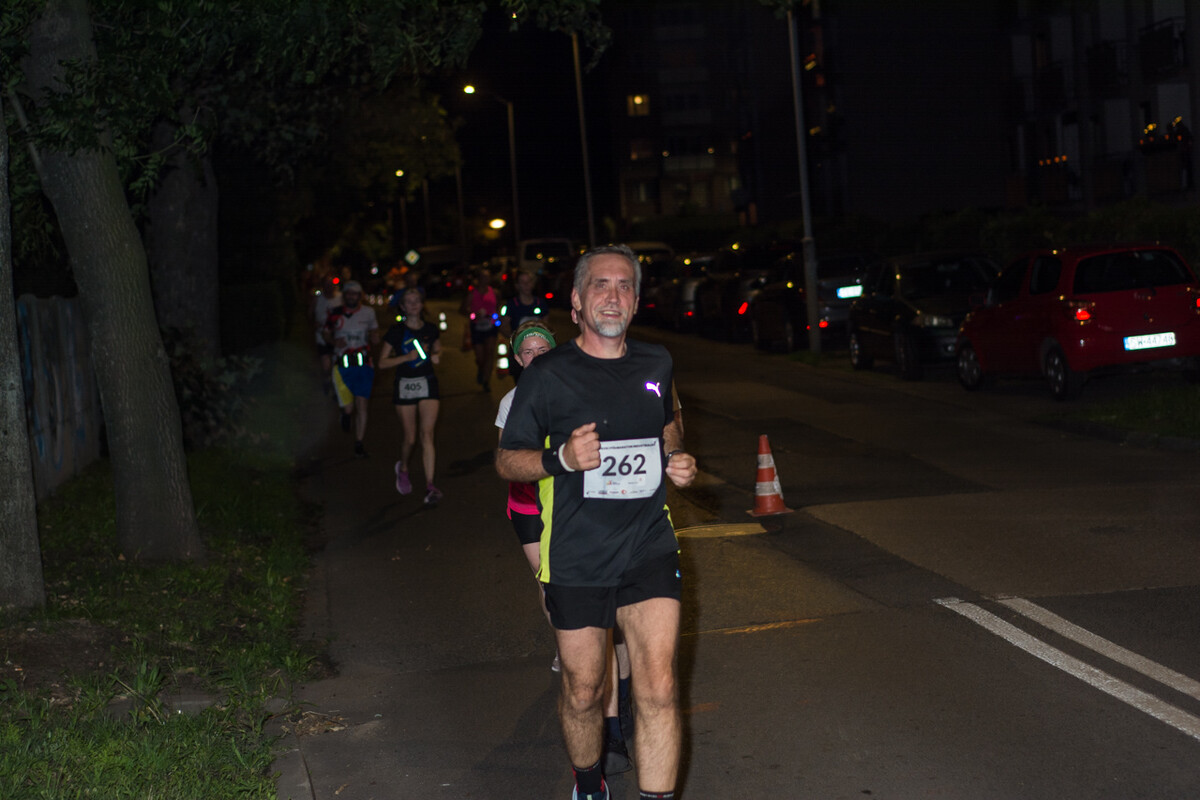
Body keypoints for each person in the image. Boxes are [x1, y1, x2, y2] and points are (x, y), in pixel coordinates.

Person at [496, 244, 697, 800]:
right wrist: (560, 458)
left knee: (658, 686)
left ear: (635, 300)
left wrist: (675, 454)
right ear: (578, 302)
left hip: (648, 544)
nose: (613, 295)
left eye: (624, 285)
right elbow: (507, 459)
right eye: (600, 285)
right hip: (578, 552)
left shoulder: (656, 362)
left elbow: (669, 418)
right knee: (585, 690)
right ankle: (589, 784)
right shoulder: (548, 375)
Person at [379, 288, 443, 505]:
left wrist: (437, 355)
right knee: (410, 438)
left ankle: (430, 485)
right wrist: (406, 357)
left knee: (428, 434)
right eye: (409, 301)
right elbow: (382, 362)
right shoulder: (396, 331)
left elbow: (438, 349)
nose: (414, 304)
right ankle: (403, 467)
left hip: (427, 383)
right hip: (405, 385)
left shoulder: (431, 329)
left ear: (422, 304)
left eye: (417, 300)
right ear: (403, 307)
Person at [324, 280, 379, 457]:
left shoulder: (369, 313)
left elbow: (374, 331)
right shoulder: (335, 313)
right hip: (342, 366)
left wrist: (375, 337)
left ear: (360, 296)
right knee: (349, 408)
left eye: (355, 293)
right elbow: (325, 333)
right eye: (348, 293)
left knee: (362, 405)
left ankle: (359, 443)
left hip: (364, 365)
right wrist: (334, 341)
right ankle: (345, 414)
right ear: (344, 295)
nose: (352, 297)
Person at [465, 268, 501, 392]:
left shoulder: (495, 292)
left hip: (491, 326)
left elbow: (499, 306)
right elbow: (462, 309)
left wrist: (497, 316)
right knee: (480, 357)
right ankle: (481, 369)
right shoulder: (472, 294)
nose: (486, 280)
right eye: (483, 277)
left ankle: (486, 381)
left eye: (488, 277)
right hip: (477, 327)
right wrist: (473, 314)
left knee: (490, 353)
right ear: (478, 279)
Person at [313, 275, 342, 396]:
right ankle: (326, 380)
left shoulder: (341, 297)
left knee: (337, 363)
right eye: (327, 285)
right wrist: (314, 323)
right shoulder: (317, 299)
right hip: (322, 336)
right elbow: (310, 314)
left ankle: (336, 387)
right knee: (326, 364)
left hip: (338, 335)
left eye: (331, 284)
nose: (329, 287)